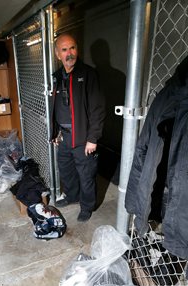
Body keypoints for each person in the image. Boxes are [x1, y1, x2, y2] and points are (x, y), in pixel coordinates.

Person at [50, 33, 106, 222]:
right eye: (64, 50)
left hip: (82, 137)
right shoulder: (57, 76)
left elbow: (98, 108)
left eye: (72, 48)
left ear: (77, 49)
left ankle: (87, 206)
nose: (69, 53)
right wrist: (56, 132)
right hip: (64, 136)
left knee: (86, 174)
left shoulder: (88, 74)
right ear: (58, 54)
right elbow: (56, 106)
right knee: (66, 170)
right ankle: (72, 196)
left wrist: (93, 138)